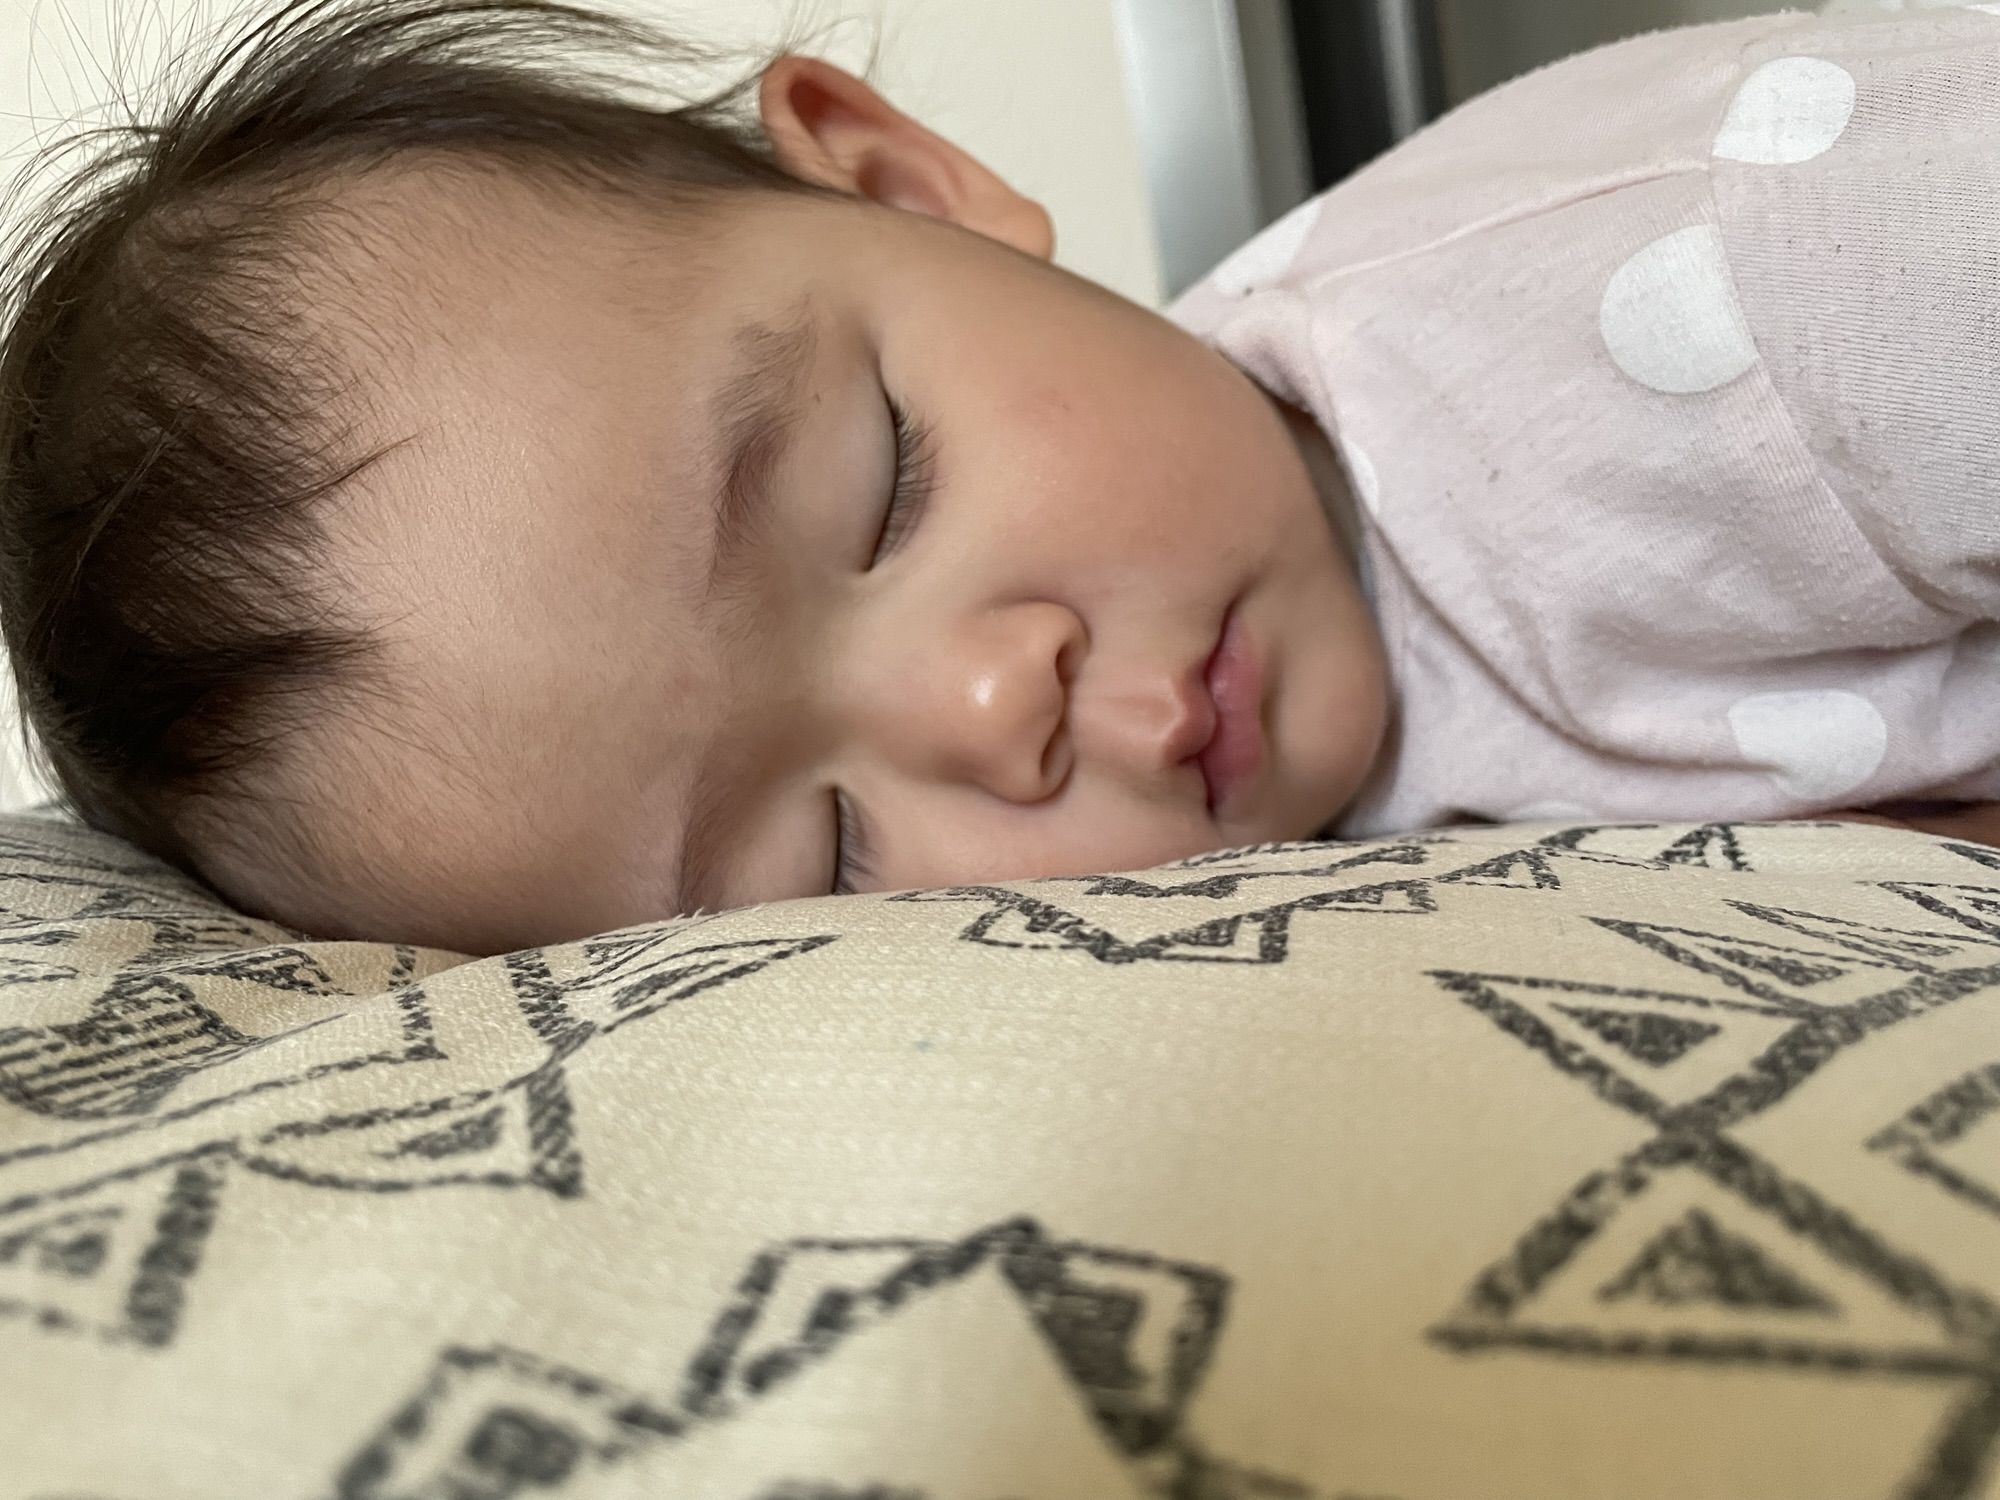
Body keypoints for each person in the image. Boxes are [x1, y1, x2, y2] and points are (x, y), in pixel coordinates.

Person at [0, 0, 1993, 957]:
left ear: (906, 186)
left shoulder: (1748, 295)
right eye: (821, 853)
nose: (989, 702)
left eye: (885, 489)